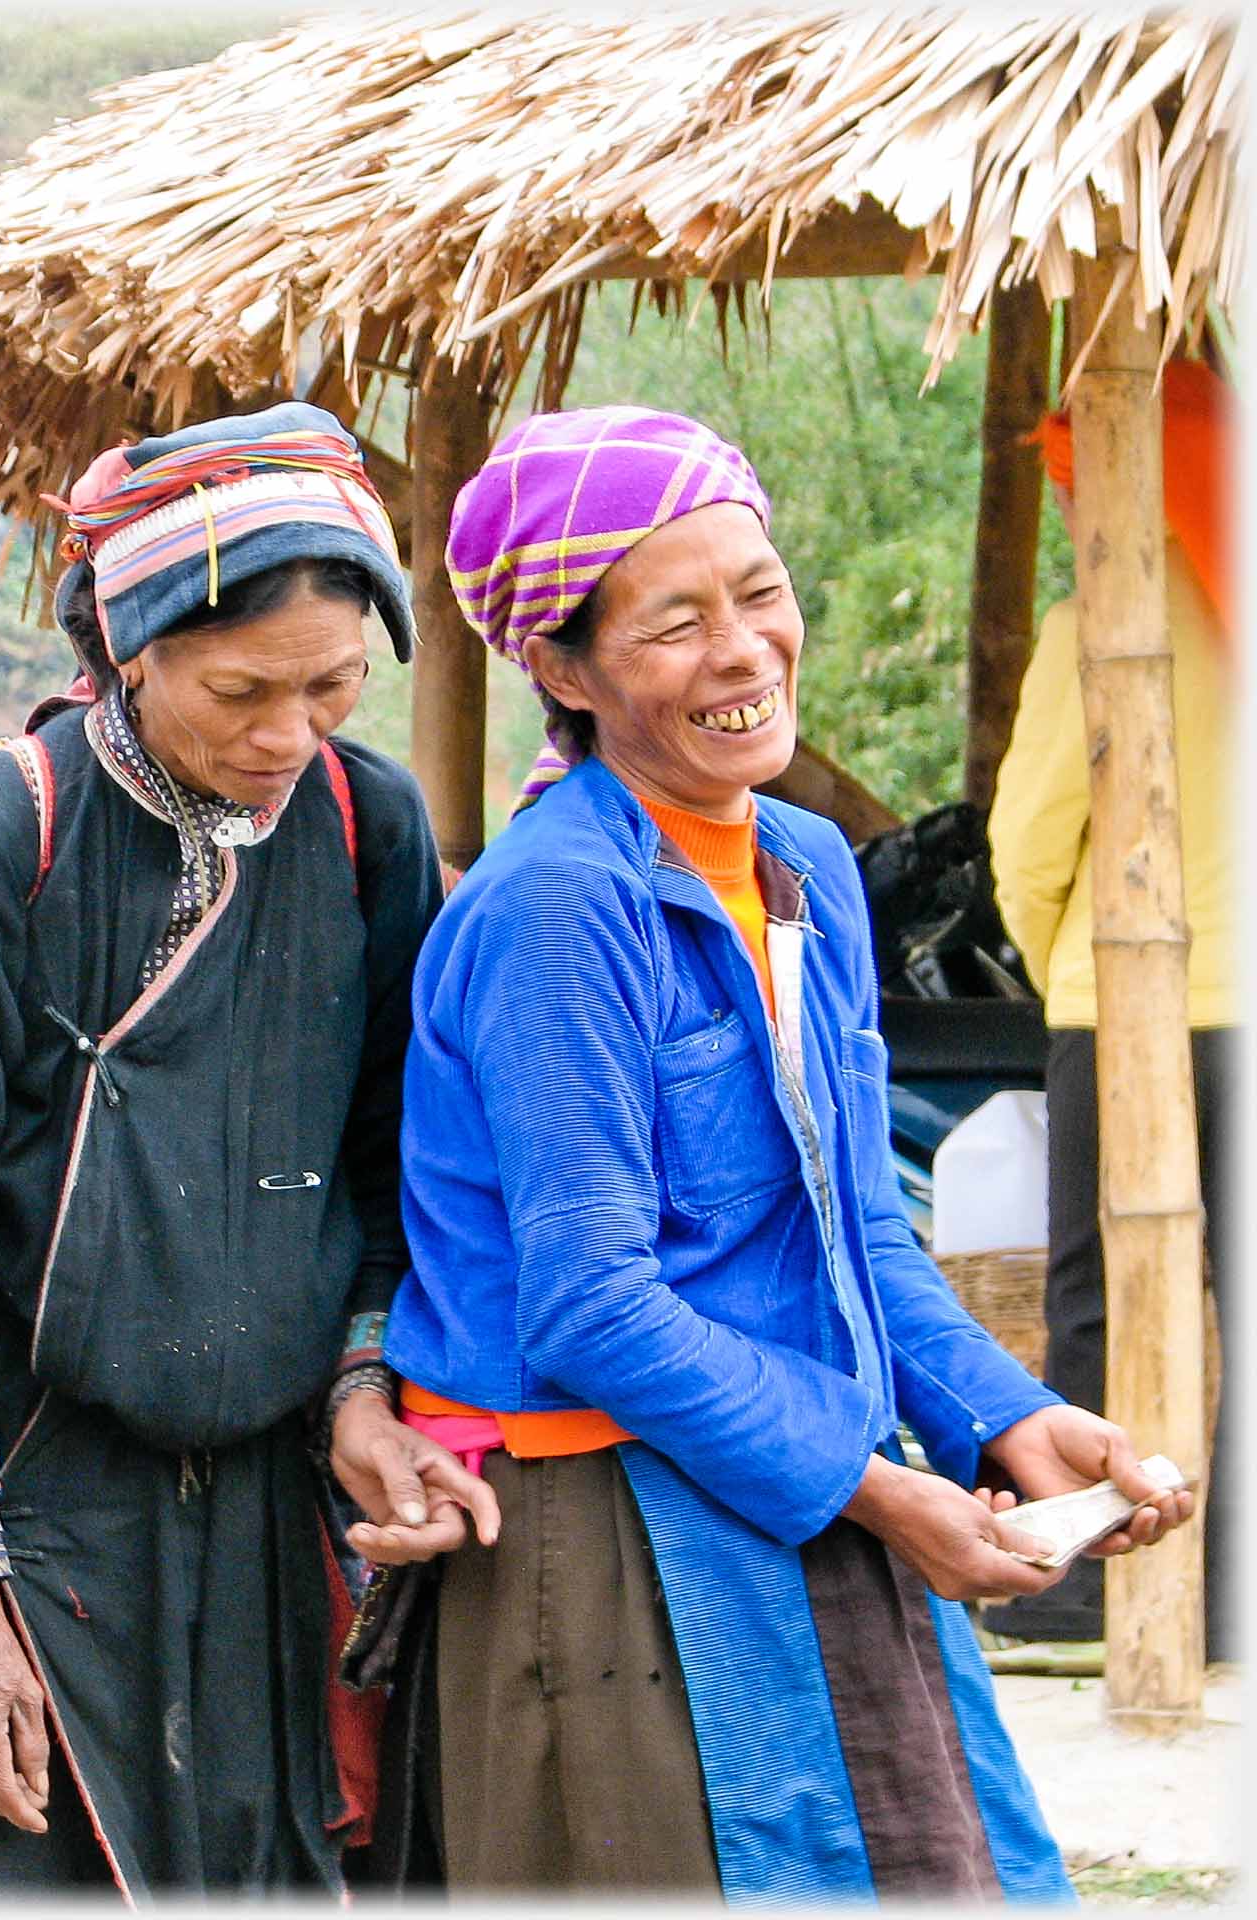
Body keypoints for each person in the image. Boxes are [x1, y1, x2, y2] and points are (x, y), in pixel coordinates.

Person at [382, 405, 1194, 1896]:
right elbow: (591, 1306)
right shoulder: (559, 907)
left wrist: (1010, 1420)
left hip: (805, 1486)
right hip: (611, 1545)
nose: (744, 652)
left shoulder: (803, 865)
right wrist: (884, 1495)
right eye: (673, 623)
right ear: (561, 671)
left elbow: (858, 1225)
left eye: (758, 594)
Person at [0, 402, 488, 1896]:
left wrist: (358, 1391)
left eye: (330, 689)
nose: (284, 738)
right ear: (129, 648)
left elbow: (390, 1171)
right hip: (31, 1488)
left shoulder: (368, 827)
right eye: (239, 690)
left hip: (266, 1512)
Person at [986, 360, 1237, 1657]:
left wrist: (1063, 970)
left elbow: (1028, 843)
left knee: (1092, 1306)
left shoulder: (1099, 625)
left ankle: (1087, 1590)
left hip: (1122, 1012)